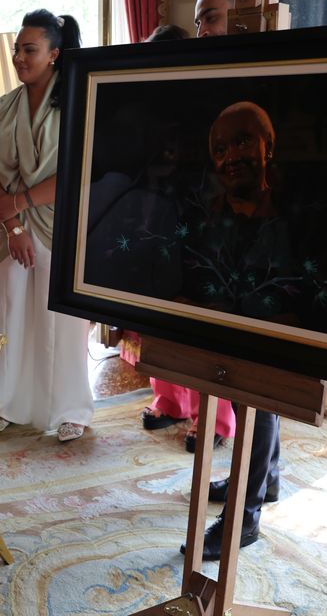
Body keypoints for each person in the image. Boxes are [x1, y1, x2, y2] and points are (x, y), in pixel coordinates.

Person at [0, 9, 93, 442]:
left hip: (59, 227)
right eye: (17, 50)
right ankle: (5, 404)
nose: (20, 57)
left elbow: (77, 173)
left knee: (61, 321)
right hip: (10, 233)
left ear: (54, 54)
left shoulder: (78, 102)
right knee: (8, 316)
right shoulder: (1, 108)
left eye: (30, 49)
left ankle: (70, 409)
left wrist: (20, 205)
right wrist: (14, 224)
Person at [181, 100, 284, 561]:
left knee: (260, 399)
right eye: (220, 149)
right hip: (229, 317)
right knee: (248, 398)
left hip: (274, 323)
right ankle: (269, 477)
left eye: (244, 141)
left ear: (269, 146)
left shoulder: (291, 213)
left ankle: (246, 515)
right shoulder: (210, 212)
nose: (232, 156)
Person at [127, 23, 237, 452]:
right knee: (158, 319)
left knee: (204, 327)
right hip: (155, 223)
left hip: (203, 224)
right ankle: (169, 400)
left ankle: (214, 420)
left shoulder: (208, 100)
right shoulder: (146, 109)